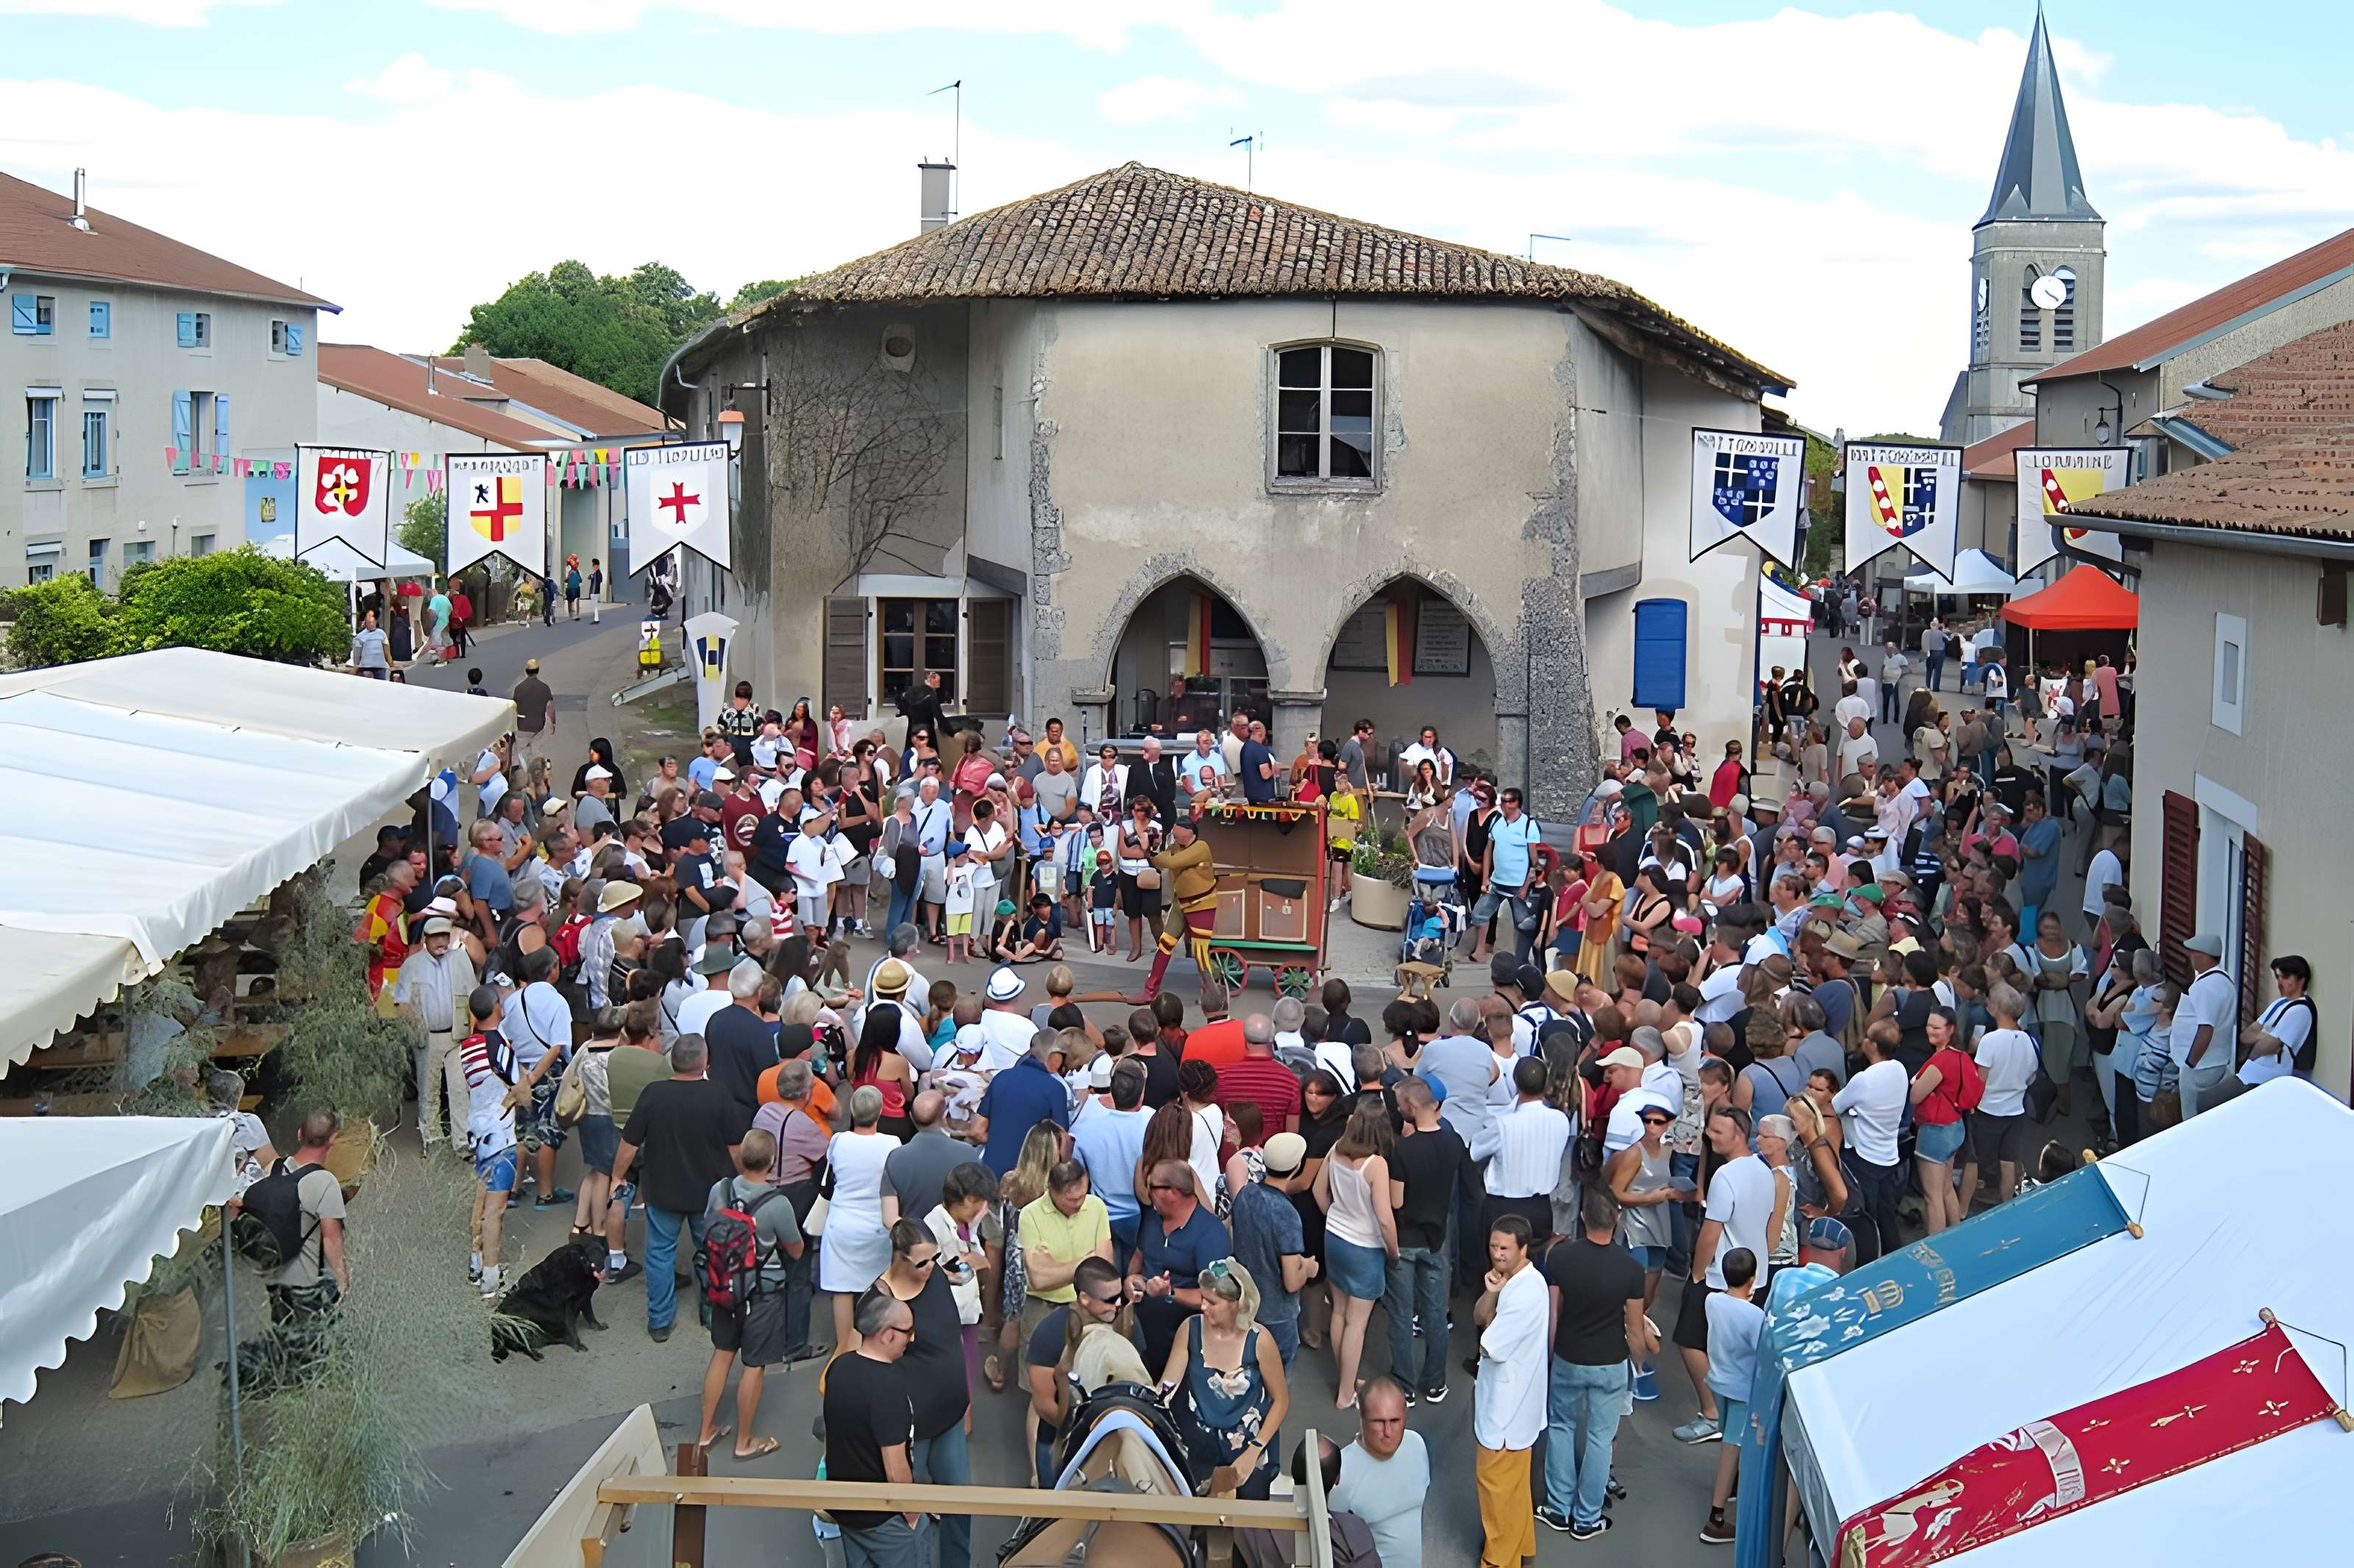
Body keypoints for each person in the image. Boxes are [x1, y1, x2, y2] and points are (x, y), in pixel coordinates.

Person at [1539, 1188, 1654, 1538]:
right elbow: (1635, 1329)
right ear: (1617, 1218)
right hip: (1611, 1362)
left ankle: (1558, 1508)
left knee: (1561, 1428)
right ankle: (1587, 1518)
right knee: (1600, 1440)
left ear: (1584, 1216)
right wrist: (1638, 1363)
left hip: (1569, 1356)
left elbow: (1553, 1314)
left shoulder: (1560, 1259)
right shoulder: (1632, 1270)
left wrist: (1549, 1355)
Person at [613, 1034, 740, 1341]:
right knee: (711, 1250)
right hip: (709, 1190)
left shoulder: (653, 1094)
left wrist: (617, 1176)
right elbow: (735, 1147)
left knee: (659, 1253)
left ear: (673, 1061)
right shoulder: (719, 1095)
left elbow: (629, 1143)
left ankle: (659, 1320)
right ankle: (710, 1310)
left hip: (663, 1188)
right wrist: (740, 1180)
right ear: (705, 1062)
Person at [694, 1129, 806, 1461]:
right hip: (763, 1293)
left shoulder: (720, 1189)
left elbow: (708, 1225)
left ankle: (705, 1432)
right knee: (753, 1366)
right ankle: (744, 1442)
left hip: (724, 1285)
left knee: (722, 1354)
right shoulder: (777, 1203)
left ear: (742, 1157)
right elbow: (796, 1251)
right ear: (772, 1162)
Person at [870, 1218, 975, 1567]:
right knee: (909, 1512)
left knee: (959, 1503)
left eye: (934, 1258)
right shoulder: (880, 1302)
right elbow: (869, 1368)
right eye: (922, 1262)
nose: (931, 1267)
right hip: (913, 1426)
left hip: (950, 1413)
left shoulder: (934, 1278)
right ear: (898, 1259)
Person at [1675, 1105, 1778, 1442]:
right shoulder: (1765, 1171)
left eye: (1718, 1132)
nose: (1710, 1136)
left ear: (1739, 1135)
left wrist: (1696, 1274)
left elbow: (1711, 1232)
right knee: (1741, 1349)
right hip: (1756, 1275)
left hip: (1721, 1277)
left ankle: (1711, 1414)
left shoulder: (1725, 1176)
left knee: (1690, 1340)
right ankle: (1734, 1414)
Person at [1159, 1258, 1289, 1499]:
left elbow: (1280, 1401)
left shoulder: (1260, 1340)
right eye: (1203, 1299)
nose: (1203, 1307)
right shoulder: (1190, 1329)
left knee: (1250, 1516)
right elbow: (1166, 1390)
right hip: (1200, 1442)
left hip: (1251, 1441)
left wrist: (1254, 1450)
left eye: (1212, 1302)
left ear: (1235, 1304)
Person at [824, 1289, 928, 1567]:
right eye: (908, 1331)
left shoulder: (839, 1368)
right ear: (887, 1334)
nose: (912, 1338)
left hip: (846, 1506)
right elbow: (896, 1471)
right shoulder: (887, 1391)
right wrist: (913, 1514)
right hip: (883, 1517)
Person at [1473, 1214, 1547, 1568]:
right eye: (1493, 1246)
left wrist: (1490, 1323)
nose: (1497, 1254)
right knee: (1516, 1487)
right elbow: (1479, 1317)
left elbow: (1489, 1343)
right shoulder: (1511, 1282)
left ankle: (1498, 1560)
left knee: (1496, 1487)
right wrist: (1491, 1294)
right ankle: (1520, 1547)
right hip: (1516, 1406)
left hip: (1506, 1409)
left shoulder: (1526, 1293)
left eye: (1504, 1248)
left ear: (1523, 1248)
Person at [1315, 1099, 1399, 1410]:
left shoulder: (1337, 1149)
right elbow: (1385, 1219)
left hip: (1335, 1238)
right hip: (1364, 1247)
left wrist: (1334, 1218)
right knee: (1357, 1324)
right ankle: (1345, 1393)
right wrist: (1393, 1252)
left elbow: (1317, 1191)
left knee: (1339, 1312)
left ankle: (1346, 1381)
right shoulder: (1376, 1164)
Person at [1382, 1077, 1462, 1404]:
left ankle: (1404, 1383)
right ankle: (1435, 1382)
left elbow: (1396, 1202)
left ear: (1412, 1107)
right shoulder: (1453, 1143)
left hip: (1405, 1240)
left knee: (1401, 1313)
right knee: (1434, 1313)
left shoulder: (1404, 1151)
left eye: (1401, 1104)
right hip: (1436, 1239)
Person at [1023, 1254, 1131, 1486]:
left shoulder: (1124, 1322)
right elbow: (1043, 1405)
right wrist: (1084, 1429)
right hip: (1057, 1444)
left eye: (1120, 1296)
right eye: (1111, 1299)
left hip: (1110, 1440)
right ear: (1084, 1298)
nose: (1119, 1304)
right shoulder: (1049, 1333)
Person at [822, 1085, 904, 1351]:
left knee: (842, 1289)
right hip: (878, 1226)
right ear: (880, 1112)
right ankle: (877, 1346)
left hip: (842, 1225)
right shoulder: (892, 1144)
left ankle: (843, 1349)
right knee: (880, 1287)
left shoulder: (839, 1141)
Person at [1128, 1161, 1230, 1374]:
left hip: (1182, 1344)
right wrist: (1131, 1279)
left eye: (1152, 1187)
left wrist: (1170, 1292)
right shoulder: (1152, 1219)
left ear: (1172, 1192)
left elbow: (1216, 1296)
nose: (1147, 1193)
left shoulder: (1211, 1234)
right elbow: (1139, 1255)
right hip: (1141, 1338)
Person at [1229, 1132, 1315, 1369]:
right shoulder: (1287, 1213)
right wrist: (1308, 1268)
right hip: (1277, 1315)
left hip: (1246, 1306)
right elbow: (1291, 1281)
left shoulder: (1246, 1194)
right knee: (1276, 1382)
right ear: (1296, 1167)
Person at [392, 915, 477, 1149]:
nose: (442, 942)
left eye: (445, 936)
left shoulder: (460, 959)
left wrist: (471, 1032)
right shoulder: (412, 964)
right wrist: (414, 1031)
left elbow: (473, 994)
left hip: (457, 1035)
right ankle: (432, 1138)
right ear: (425, 939)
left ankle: (462, 1140)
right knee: (428, 1088)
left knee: (460, 1089)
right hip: (428, 1037)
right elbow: (402, 1002)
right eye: (436, 937)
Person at [1700, 1248, 1766, 1544]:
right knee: (1732, 1446)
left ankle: (1733, 1485)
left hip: (1718, 1382)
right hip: (1742, 1389)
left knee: (1728, 1435)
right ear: (1752, 1280)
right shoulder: (1755, 1315)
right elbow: (1761, 1349)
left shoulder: (1712, 1301)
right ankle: (1716, 1517)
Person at [1331, 1376, 1431, 1568]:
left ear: (1405, 1415)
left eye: (1395, 1421)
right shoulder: (1343, 1472)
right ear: (1362, 1420)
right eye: (1378, 1422)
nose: (1388, 1432)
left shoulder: (1416, 1445)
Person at [1831, 1021, 1906, 1264]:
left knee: (1866, 1219)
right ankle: (1894, 1258)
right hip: (1890, 1154)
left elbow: (1836, 1105)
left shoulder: (1864, 1080)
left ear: (1872, 1045)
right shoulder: (1900, 1070)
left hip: (1864, 1157)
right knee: (1887, 1215)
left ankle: (1868, 1263)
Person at [266, 1111, 349, 1322]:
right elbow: (331, 1238)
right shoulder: (325, 1183)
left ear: (299, 1134)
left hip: (275, 1277)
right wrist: (342, 1277)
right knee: (313, 1339)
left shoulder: (273, 1169)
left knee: (283, 1330)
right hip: (306, 1280)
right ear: (333, 1139)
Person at [1073, 1060, 1152, 1266]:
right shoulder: (1153, 1122)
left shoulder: (1085, 1130)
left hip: (1102, 1217)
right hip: (1142, 1217)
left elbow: (1079, 1175)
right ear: (1141, 1094)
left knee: (1107, 1279)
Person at [2175, 931, 2240, 1118]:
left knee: (2191, 1118)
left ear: (2203, 956)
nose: (2191, 958)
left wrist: (2190, 1063)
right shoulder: (2225, 982)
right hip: (2218, 1062)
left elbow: (2206, 1028)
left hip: (2200, 1066)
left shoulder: (2205, 986)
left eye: (2193, 953)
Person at [2241, 955, 2317, 1086]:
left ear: (2301, 979)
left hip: (2267, 1081)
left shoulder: (2300, 1010)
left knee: (2209, 1100)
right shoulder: (2280, 1003)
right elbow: (2245, 1036)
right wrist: (2266, 1037)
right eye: (2278, 977)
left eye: (2285, 977)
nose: (2280, 983)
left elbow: (2264, 1048)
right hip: (2250, 1074)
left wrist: (2264, 1039)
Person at [349, 608, 391, 678]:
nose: (371, 619)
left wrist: (391, 664)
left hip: (380, 668)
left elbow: (387, 652)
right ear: (365, 620)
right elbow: (357, 654)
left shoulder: (382, 633)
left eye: (373, 616)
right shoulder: (359, 637)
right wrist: (355, 667)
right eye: (369, 616)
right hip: (366, 668)